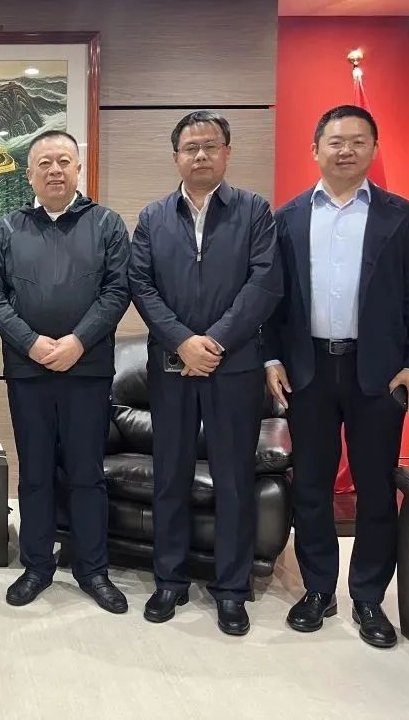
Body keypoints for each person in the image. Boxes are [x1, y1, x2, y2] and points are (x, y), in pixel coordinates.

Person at [265, 105, 409, 649]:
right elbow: (273, 300)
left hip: (380, 374)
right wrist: (271, 359)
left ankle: (368, 596)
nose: (346, 150)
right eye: (335, 141)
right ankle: (319, 589)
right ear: (315, 150)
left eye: (358, 141)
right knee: (311, 485)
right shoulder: (288, 217)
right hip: (309, 369)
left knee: (375, 487)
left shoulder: (400, 215)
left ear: (373, 149)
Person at [128, 110, 281, 636]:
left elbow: (265, 283)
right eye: (190, 148)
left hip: (234, 366)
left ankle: (232, 589)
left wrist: (213, 342)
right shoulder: (153, 216)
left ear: (227, 152)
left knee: (233, 480)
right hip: (171, 366)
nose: (200, 155)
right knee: (169, 475)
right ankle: (169, 580)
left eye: (210, 146)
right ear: (175, 157)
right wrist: (182, 342)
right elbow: (141, 285)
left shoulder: (255, 211)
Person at [0, 129, 131, 613]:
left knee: (87, 473)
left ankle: (93, 570)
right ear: (29, 174)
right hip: (28, 371)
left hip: (87, 368)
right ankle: (36, 567)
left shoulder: (106, 224)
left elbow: (117, 291)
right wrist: (31, 342)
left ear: (77, 169)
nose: (54, 170)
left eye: (63, 161)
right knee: (36, 472)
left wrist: (77, 341)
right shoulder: (7, 229)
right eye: (44, 163)